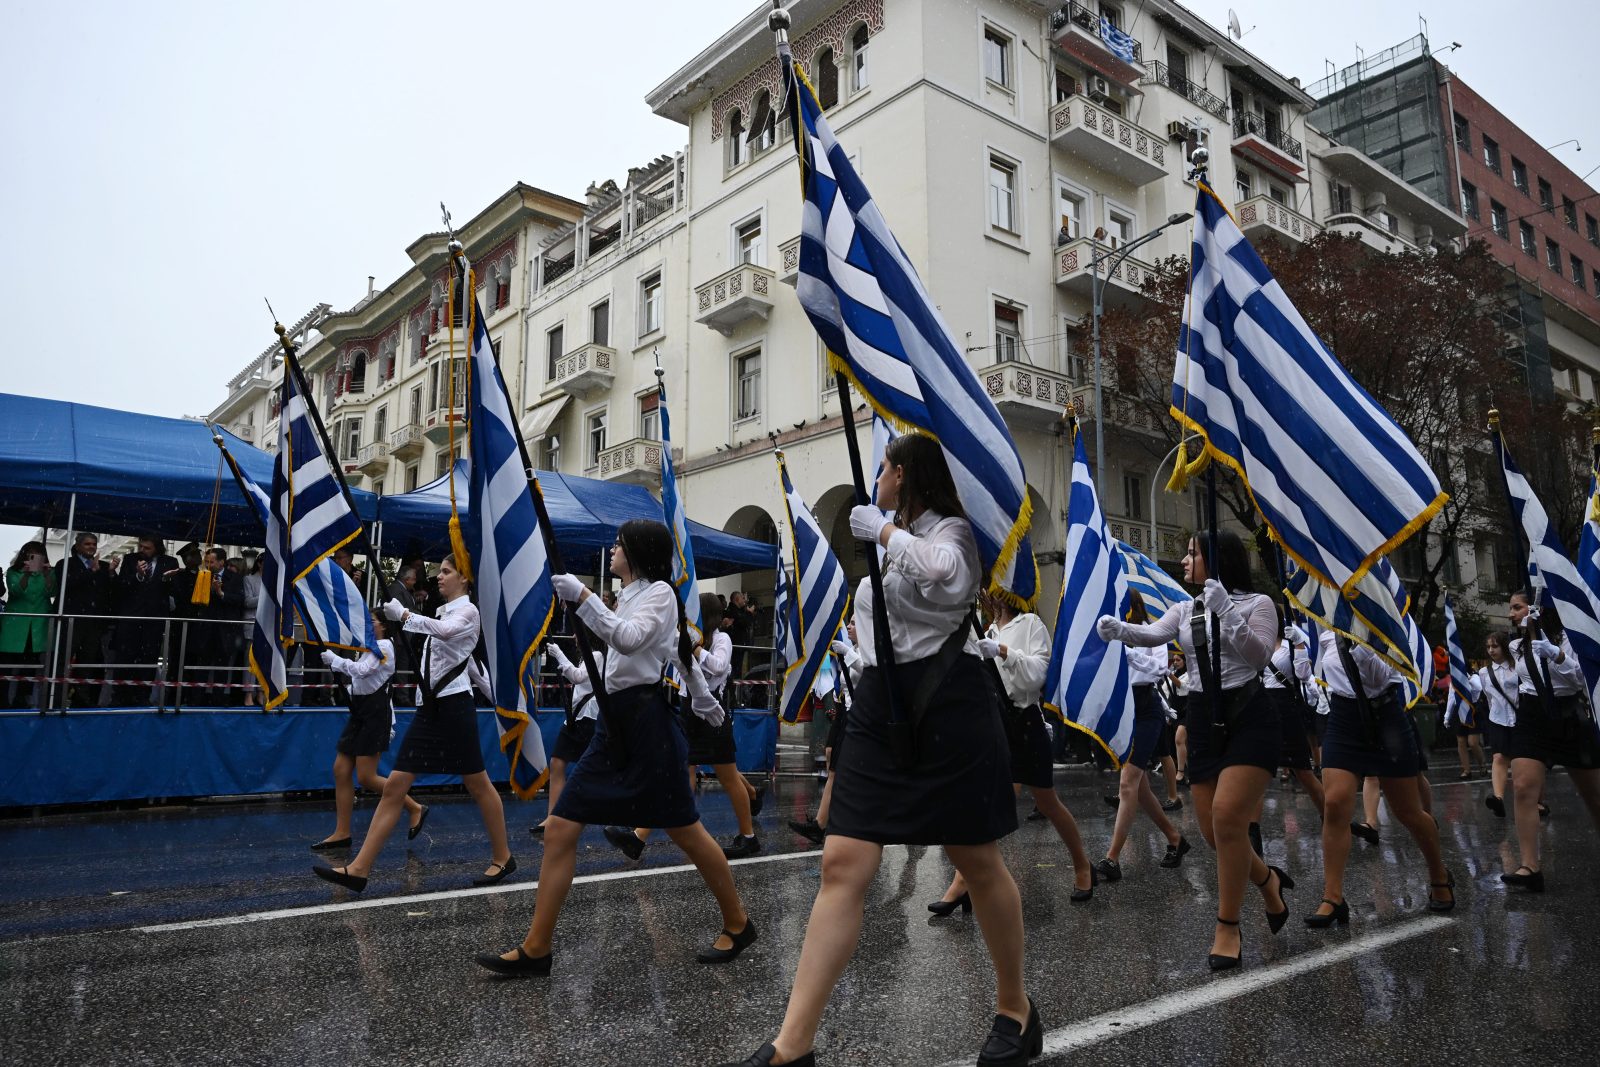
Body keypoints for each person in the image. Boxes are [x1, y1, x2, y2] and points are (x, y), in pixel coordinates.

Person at [722, 433, 1036, 1067]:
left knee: (975, 860)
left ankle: (1016, 1010)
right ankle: (794, 1043)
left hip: (948, 701)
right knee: (841, 862)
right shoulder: (896, 537)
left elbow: (947, 576)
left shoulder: (955, 533)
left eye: (886, 467)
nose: (877, 477)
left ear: (907, 475)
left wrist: (886, 536)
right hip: (879, 704)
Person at [475, 519, 755, 977]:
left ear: (639, 551)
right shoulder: (627, 596)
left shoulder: (661, 593)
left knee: (686, 831)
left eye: (619, 544)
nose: (611, 550)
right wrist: (702, 696)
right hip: (614, 723)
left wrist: (583, 600)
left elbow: (632, 639)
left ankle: (738, 923)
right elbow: (675, 651)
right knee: (561, 828)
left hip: (649, 724)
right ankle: (537, 948)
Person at [1098, 532, 1290, 972]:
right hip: (1204, 718)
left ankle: (1227, 924)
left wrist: (1226, 608)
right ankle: (1268, 881)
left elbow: (1260, 657)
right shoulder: (1186, 608)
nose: (1185, 560)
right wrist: (1119, 630)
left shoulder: (1259, 604)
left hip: (1249, 716)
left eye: (1193, 553)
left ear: (1217, 560)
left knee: (1227, 819)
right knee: (1213, 834)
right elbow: (1153, 635)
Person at [312, 557, 514, 892]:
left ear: (464, 578)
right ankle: (359, 869)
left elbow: (452, 642)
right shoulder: (441, 613)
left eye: (446, 572)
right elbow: (469, 666)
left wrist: (403, 616)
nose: (439, 578)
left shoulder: (468, 613)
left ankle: (503, 856)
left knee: (477, 783)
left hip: (454, 707)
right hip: (429, 708)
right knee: (394, 786)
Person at [934, 590, 1096, 912]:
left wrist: (1004, 652)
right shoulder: (987, 630)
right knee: (986, 800)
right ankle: (961, 881)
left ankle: (1082, 865)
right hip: (995, 726)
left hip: (1024, 723)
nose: (988, 594)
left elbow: (1038, 673)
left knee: (1047, 802)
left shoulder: (1030, 623)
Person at [1305, 625, 1454, 927]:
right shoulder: (1323, 626)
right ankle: (1333, 897)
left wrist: (1361, 645)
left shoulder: (1379, 615)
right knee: (1334, 805)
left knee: (1408, 812)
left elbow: (1380, 678)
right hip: (1344, 719)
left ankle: (1438, 873)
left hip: (1386, 715)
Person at [605, 590, 766, 861]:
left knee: (728, 777)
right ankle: (639, 837)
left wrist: (696, 649)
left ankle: (748, 837)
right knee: (679, 774)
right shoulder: (690, 637)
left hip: (712, 713)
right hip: (688, 712)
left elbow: (719, 666)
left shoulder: (721, 638)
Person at [1499, 591, 1600, 893]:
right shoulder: (1517, 646)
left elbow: (1581, 680)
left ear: (1535, 608)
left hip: (1569, 716)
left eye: (1516, 608)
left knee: (1594, 796)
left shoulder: (1569, 638)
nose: (1511, 614)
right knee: (1522, 787)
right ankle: (1530, 866)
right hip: (1533, 716)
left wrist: (1557, 655)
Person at [1094, 591, 1190, 886]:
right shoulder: (1116, 633)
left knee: (1128, 782)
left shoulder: (1152, 630)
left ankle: (1112, 858)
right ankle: (1175, 838)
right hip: (1125, 707)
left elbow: (1160, 669)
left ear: (1134, 605)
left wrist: (1129, 653)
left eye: (1124, 606)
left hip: (1147, 709)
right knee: (1141, 787)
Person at [311, 612, 427, 850]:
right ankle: (342, 832)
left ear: (383, 626)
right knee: (341, 770)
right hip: (361, 713)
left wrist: (335, 660)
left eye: (372, 621)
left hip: (376, 715)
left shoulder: (384, 647)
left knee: (366, 777)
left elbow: (363, 671)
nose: (367, 624)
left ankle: (415, 807)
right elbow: (361, 680)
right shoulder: (367, 647)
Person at [1256, 615, 1326, 845]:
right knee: (1258, 772)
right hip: (1265, 706)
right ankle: (1252, 829)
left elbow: (1304, 674)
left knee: (1302, 771)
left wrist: (1298, 645)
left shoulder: (1289, 646)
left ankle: (1329, 816)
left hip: (1287, 706)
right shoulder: (1259, 644)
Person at [532, 635, 604, 836]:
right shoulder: (586, 656)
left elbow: (577, 677)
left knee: (598, 770)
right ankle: (552, 818)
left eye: (577, 632)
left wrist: (558, 654)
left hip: (588, 719)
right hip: (575, 719)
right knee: (557, 763)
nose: (574, 637)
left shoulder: (597, 655)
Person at [111, 536, 180, 705]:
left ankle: (143, 697)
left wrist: (166, 580)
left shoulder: (170, 562)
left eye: (147, 548)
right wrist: (138, 576)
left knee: (149, 659)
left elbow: (176, 590)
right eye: (141, 546)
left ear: (157, 548)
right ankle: (120, 697)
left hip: (154, 620)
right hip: (131, 618)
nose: (143, 550)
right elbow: (122, 585)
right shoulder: (131, 559)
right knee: (125, 658)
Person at [53, 533, 114, 707]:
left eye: (94, 544)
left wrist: (110, 574)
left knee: (88, 663)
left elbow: (110, 592)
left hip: (93, 624)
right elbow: (67, 584)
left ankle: (82, 699)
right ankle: (56, 699)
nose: (92, 547)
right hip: (70, 622)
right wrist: (90, 572)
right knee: (62, 662)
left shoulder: (103, 565)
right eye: (87, 544)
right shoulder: (65, 564)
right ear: (78, 546)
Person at [1465, 632, 1519, 816]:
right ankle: (1498, 799)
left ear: (1504, 646)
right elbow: (1488, 698)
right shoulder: (1483, 673)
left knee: (1523, 761)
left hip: (1519, 719)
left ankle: (1538, 801)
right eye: (1488, 647)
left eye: (1495, 646)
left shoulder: (1518, 667)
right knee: (1498, 758)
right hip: (1497, 719)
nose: (1491, 650)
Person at [0, 543, 55, 709]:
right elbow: (15, 591)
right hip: (15, 625)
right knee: (6, 665)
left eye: (38, 556)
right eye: (31, 555)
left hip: (37, 625)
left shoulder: (49, 572)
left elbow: (52, 592)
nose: (34, 559)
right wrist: (25, 574)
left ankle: (22, 699)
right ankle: (2, 699)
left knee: (30, 666)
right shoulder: (13, 571)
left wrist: (46, 574)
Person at [725, 589, 757, 678]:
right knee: (735, 670)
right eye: (742, 598)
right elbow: (745, 623)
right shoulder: (732, 611)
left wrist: (745, 607)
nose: (744, 600)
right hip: (736, 646)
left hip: (740, 645)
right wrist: (750, 613)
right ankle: (732, 690)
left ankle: (735, 689)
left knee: (738, 670)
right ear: (737, 599)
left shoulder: (738, 610)